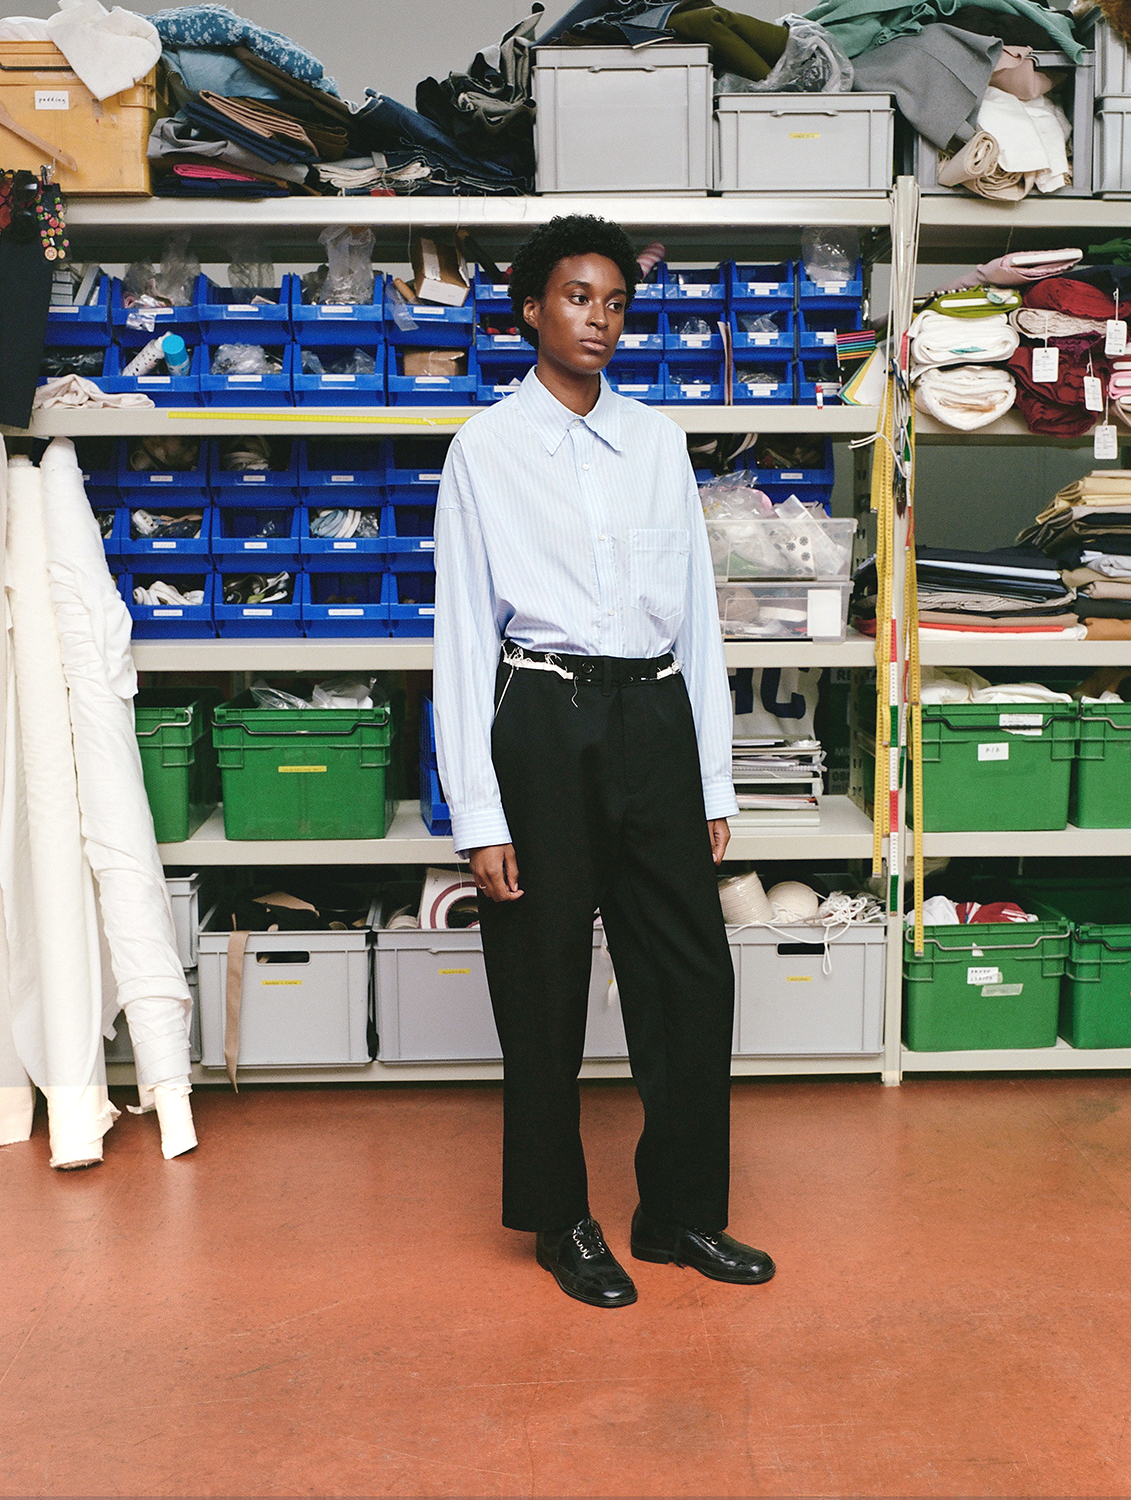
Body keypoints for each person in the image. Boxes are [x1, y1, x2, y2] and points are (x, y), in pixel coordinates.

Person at [433, 214, 775, 1309]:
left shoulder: (657, 443)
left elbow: (699, 621)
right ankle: (559, 1219)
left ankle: (678, 1213)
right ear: (532, 307)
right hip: (542, 718)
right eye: (578, 297)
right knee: (542, 985)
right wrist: (478, 814)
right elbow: (460, 638)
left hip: (655, 717)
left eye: (616, 302)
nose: (599, 319)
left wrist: (711, 777)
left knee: (690, 978)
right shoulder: (486, 449)